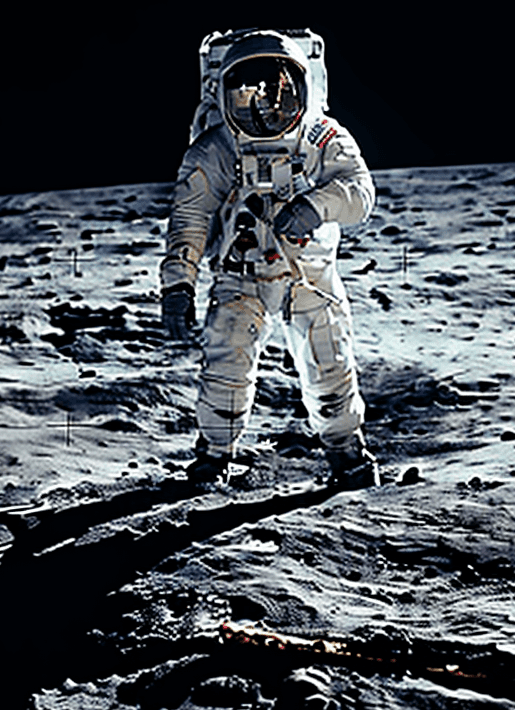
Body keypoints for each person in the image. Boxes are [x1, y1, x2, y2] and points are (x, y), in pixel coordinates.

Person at [160, 29, 378, 488]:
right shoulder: (217, 148)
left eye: (280, 89)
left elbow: (360, 193)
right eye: (247, 92)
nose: (265, 106)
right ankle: (214, 457)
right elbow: (190, 218)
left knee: (329, 363)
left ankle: (346, 453)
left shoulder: (320, 137)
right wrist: (178, 284)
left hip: (308, 274)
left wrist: (317, 206)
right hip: (241, 275)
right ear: (225, 94)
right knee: (226, 363)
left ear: (303, 86)